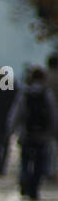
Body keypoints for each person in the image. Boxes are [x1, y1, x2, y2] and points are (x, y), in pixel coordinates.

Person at [8, 65, 55, 201]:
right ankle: (34, 188)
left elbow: (17, 112)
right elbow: (52, 114)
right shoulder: (46, 94)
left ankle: (24, 181)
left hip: (26, 134)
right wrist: (53, 131)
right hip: (42, 136)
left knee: (25, 161)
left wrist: (11, 129)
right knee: (40, 163)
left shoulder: (25, 92)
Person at [46, 53, 58, 182]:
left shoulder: (45, 78)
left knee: (48, 144)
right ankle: (52, 170)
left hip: (45, 117)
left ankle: (48, 169)